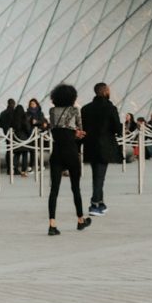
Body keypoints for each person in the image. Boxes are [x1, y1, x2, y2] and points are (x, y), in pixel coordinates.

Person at [46, 84, 91, 235]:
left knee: (54, 190)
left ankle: (52, 224)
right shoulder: (74, 110)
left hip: (57, 152)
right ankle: (80, 220)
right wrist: (75, 134)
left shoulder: (52, 111)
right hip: (71, 152)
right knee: (75, 188)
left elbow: (55, 130)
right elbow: (81, 129)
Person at [81, 82, 123, 215]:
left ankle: (100, 202)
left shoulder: (85, 108)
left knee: (98, 174)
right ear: (105, 92)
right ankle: (94, 204)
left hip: (90, 144)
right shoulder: (110, 108)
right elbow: (117, 128)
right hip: (105, 145)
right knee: (99, 175)